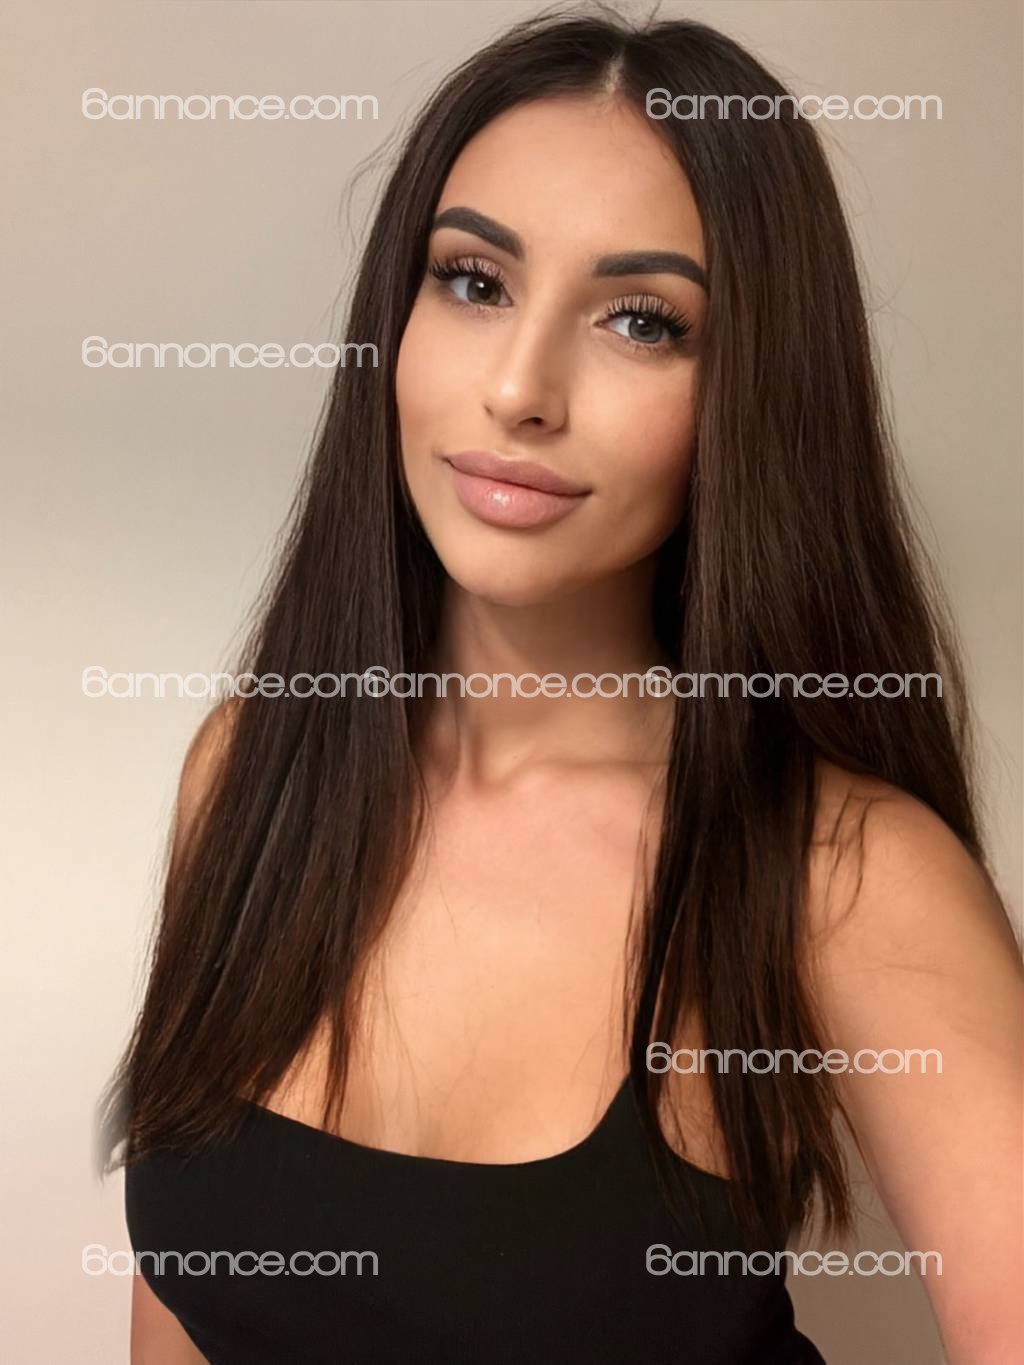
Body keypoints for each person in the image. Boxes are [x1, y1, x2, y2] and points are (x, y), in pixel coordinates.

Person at [99, 6, 1023, 1362]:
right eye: (474, 282)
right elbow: (180, 1314)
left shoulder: (842, 873)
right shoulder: (251, 769)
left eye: (643, 320)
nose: (521, 389)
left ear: (752, 392)